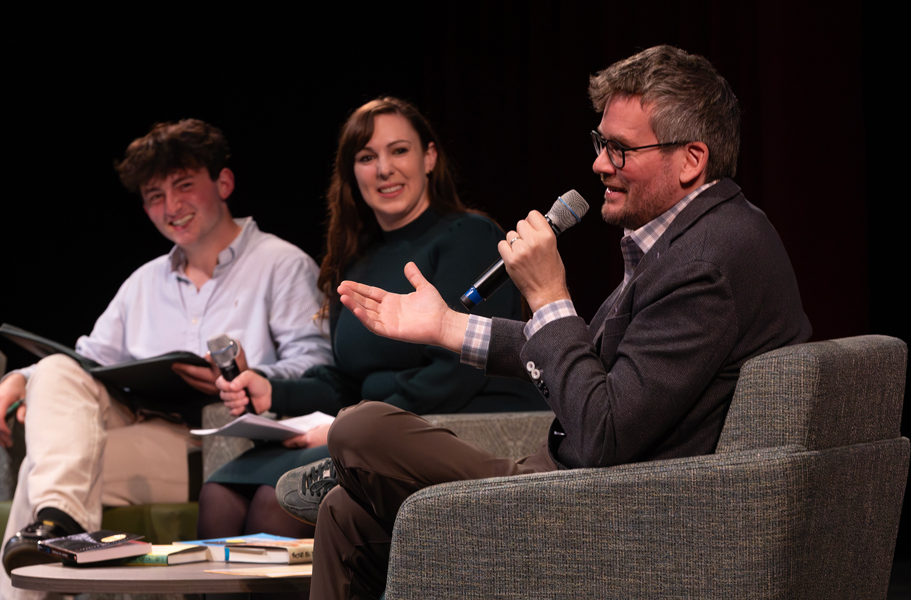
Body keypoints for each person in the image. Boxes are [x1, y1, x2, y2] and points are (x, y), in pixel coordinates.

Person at [288, 46, 813, 599]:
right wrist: (445, 326)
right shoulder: (699, 236)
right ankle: (358, 475)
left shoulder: (707, 261)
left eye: (619, 148)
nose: (599, 164)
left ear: (691, 159)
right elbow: (594, 358)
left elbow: (604, 432)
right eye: (600, 143)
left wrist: (547, 294)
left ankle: (356, 464)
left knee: (357, 428)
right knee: (347, 515)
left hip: (605, 509)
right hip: (578, 480)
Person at [0, 119, 332, 599]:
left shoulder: (281, 264)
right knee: (54, 371)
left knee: (37, 477)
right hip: (140, 428)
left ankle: (56, 523)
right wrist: (18, 380)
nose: (171, 208)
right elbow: (84, 360)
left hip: (210, 444)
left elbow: (316, 365)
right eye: (154, 196)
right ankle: (58, 520)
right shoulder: (145, 282)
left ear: (224, 183)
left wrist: (249, 376)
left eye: (184, 186)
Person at [200, 97, 544, 544]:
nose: (384, 169)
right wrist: (272, 389)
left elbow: (455, 371)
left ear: (430, 157)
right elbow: (346, 379)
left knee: (275, 501)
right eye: (367, 157)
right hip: (369, 424)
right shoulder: (355, 258)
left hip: (454, 421)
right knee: (218, 494)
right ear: (352, 172)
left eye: (399, 151)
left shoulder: (470, 236)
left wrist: (342, 427)